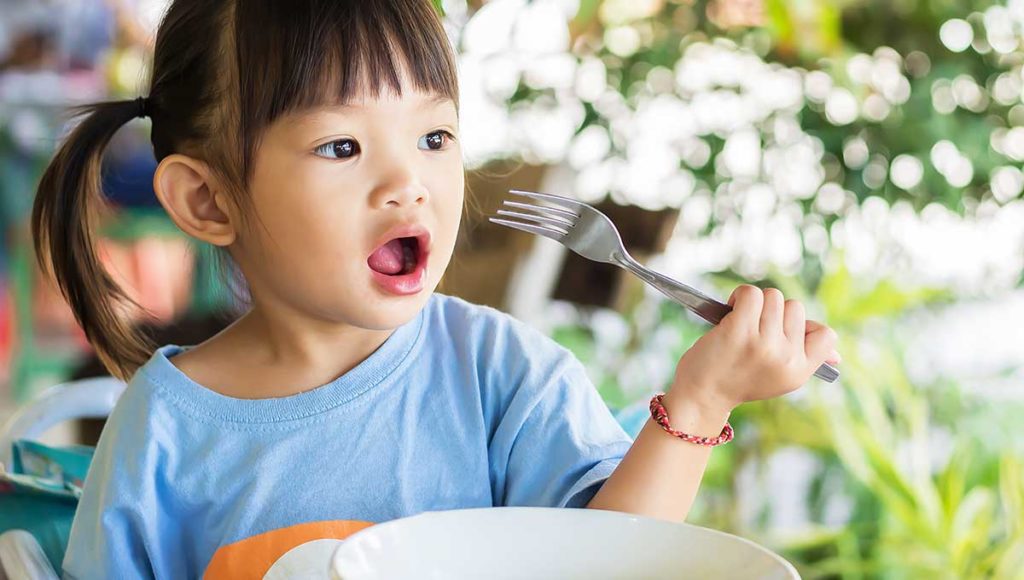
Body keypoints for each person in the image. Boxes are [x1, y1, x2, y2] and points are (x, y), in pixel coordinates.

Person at [30, 0, 841, 577]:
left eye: (433, 136)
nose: (408, 184)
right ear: (210, 200)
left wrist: (699, 405)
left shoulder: (499, 373)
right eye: (342, 146)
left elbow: (612, 562)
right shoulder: (162, 431)